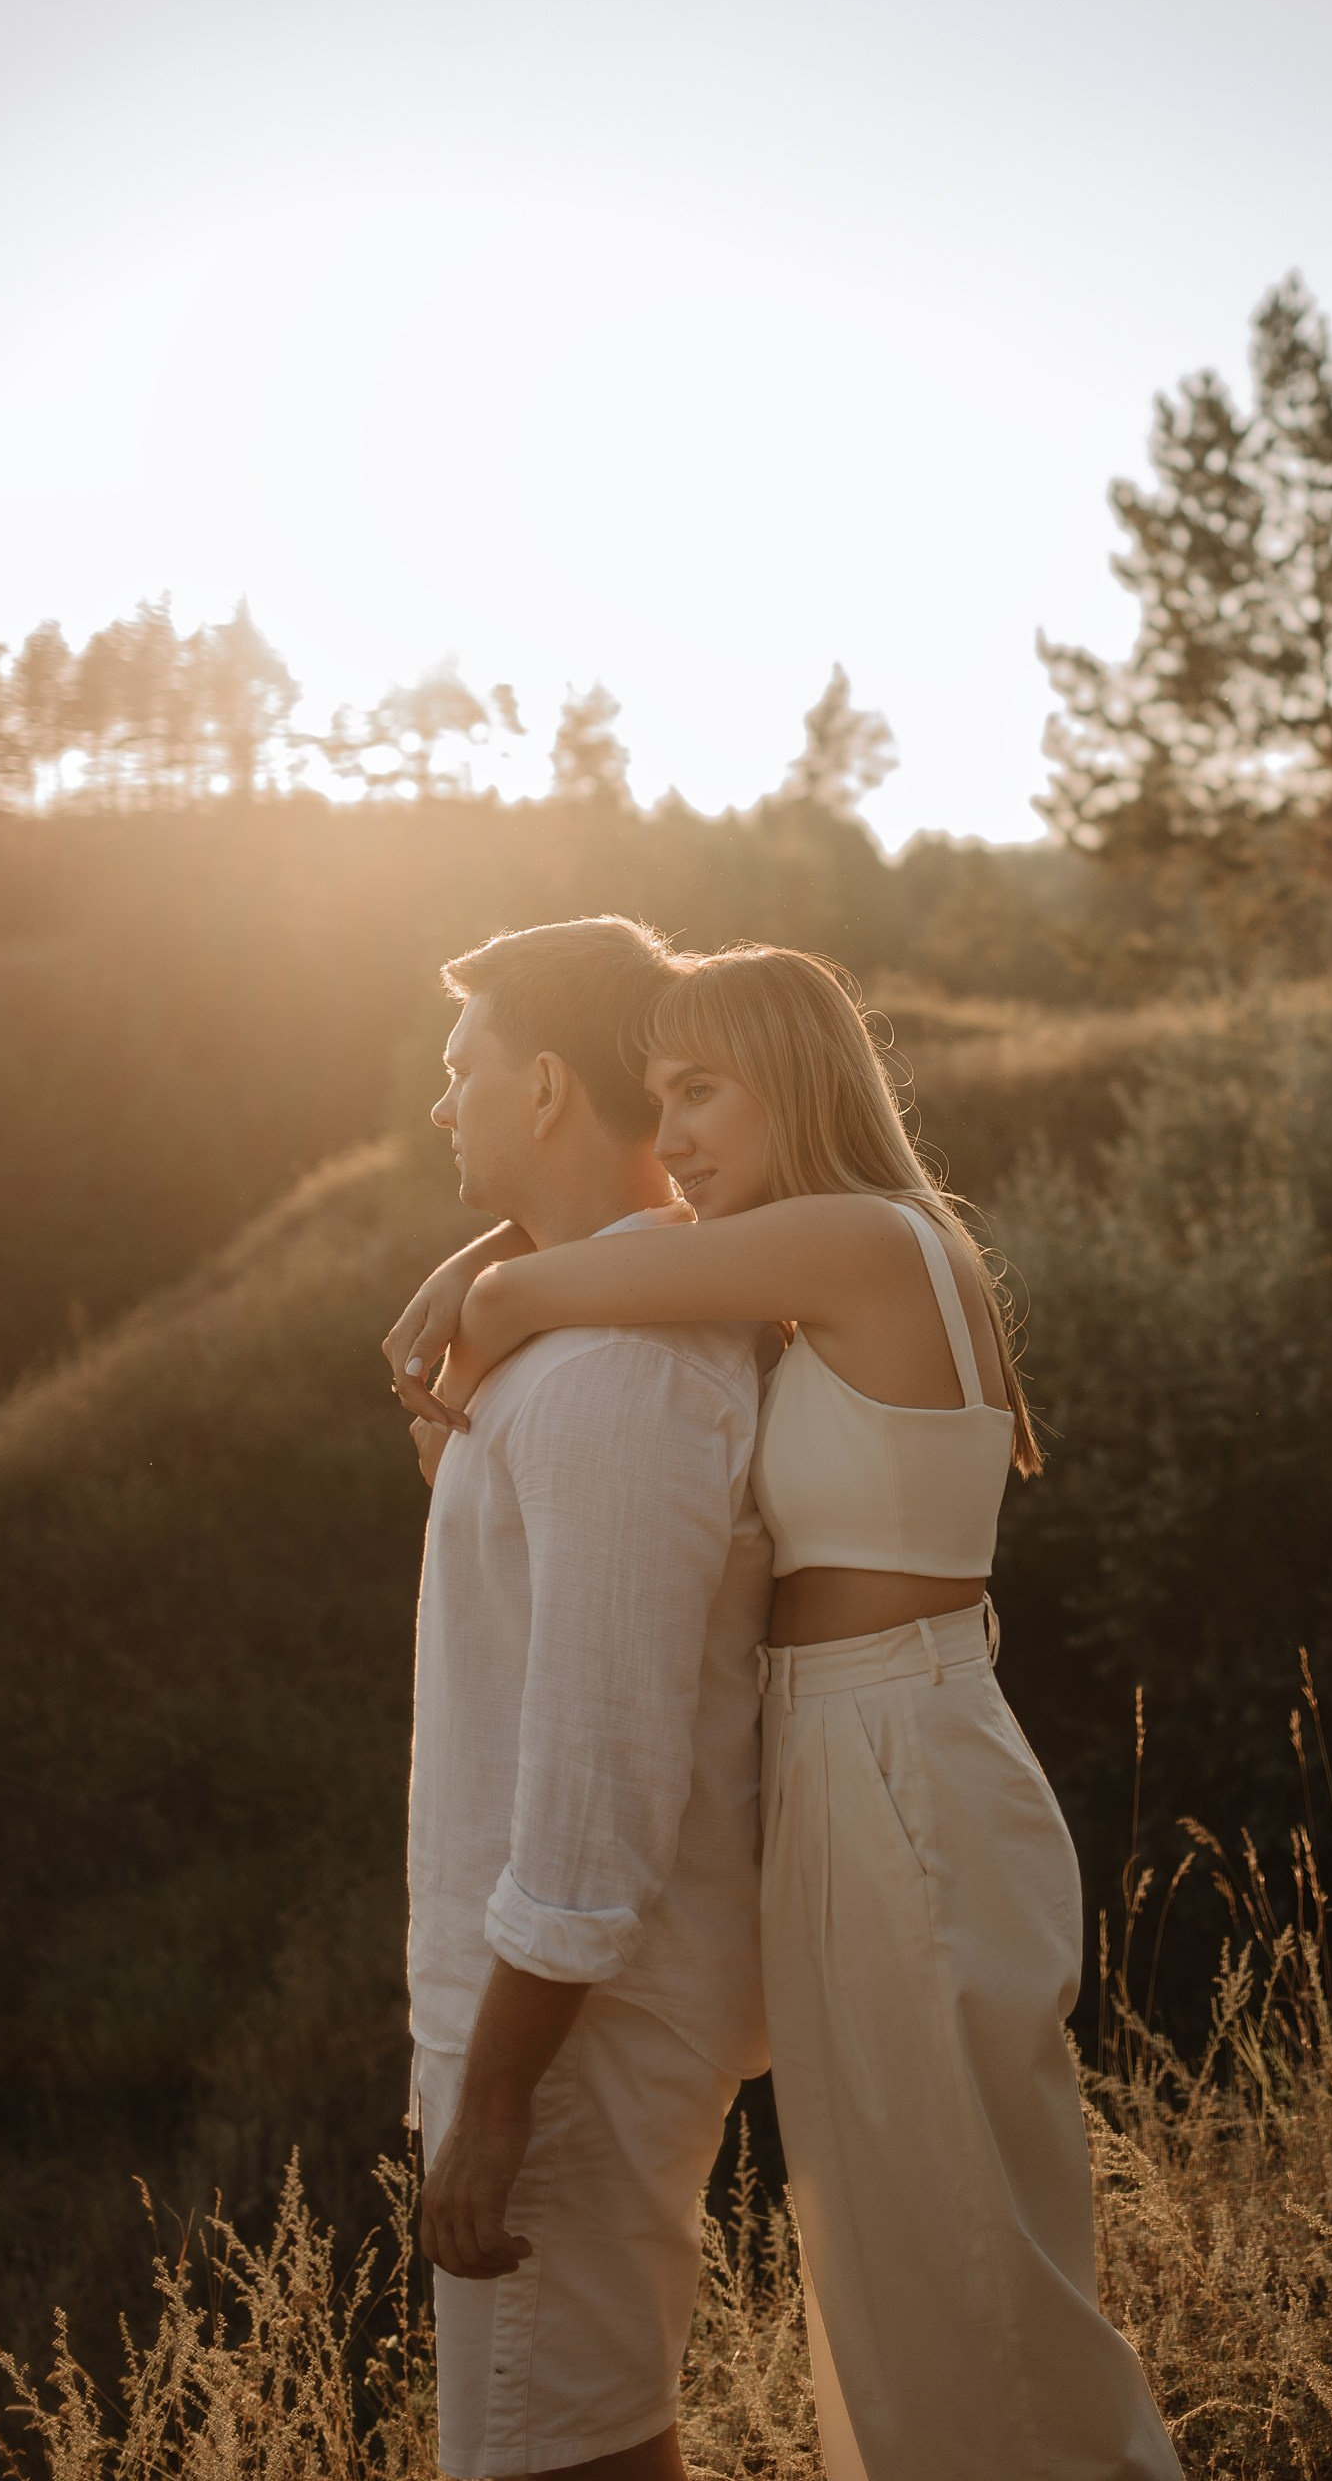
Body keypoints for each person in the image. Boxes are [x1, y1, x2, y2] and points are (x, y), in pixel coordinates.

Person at [388, 943, 1183, 2481]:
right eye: (663, 1093)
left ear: (799, 1084)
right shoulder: (809, 1269)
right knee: (896, 2263)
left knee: (968, 2265)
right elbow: (576, 1279)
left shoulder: (867, 1248)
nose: (675, 1135)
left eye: (704, 1093)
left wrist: (483, 1281)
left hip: (899, 1767)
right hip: (847, 1766)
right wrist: (491, 1251)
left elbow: (556, 1285)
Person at [403, 914, 772, 2481]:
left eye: (461, 1067)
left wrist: (497, 2099)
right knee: (581, 2439)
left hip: (569, 2032)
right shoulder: (585, 1335)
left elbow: (599, 1779)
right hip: (546, 2011)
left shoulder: (620, 1373)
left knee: (557, 2458)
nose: (442, 1106)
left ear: (544, 1084)